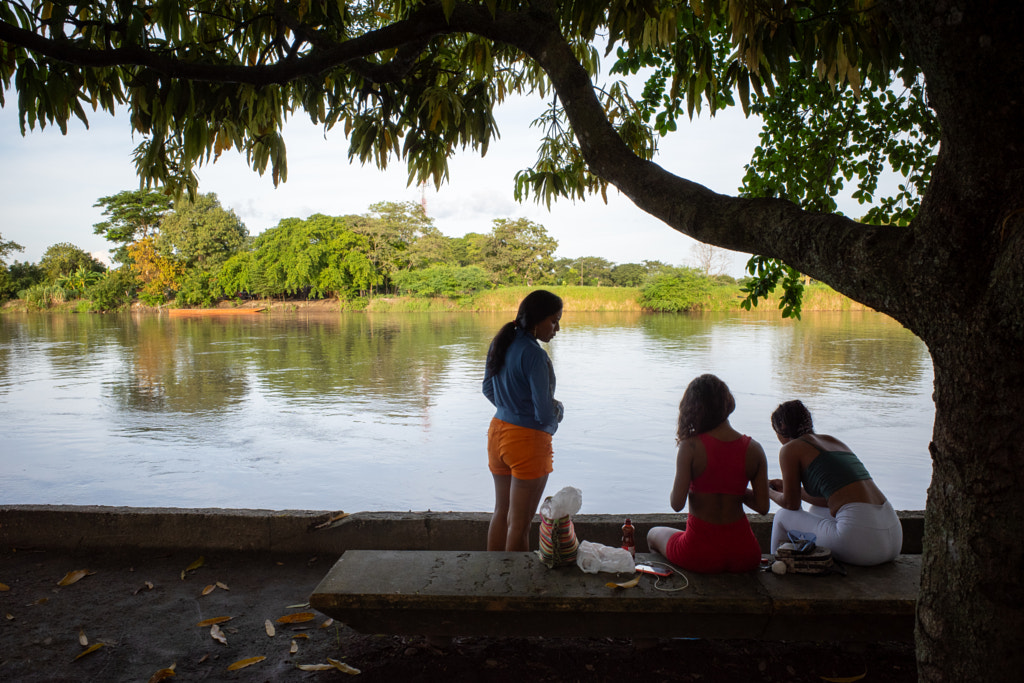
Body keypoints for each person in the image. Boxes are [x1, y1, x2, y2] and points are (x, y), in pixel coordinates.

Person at [647, 374, 770, 573]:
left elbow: (676, 504)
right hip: (745, 554)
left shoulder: (690, 446)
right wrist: (735, 489)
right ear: (727, 403)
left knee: (653, 534)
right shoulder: (755, 449)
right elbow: (763, 507)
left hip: (699, 554)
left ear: (693, 408)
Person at [767, 400, 903, 566]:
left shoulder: (789, 449)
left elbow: (791, 504)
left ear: (781, 429)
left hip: (861, 546)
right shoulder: (833, 441)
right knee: (816, 510)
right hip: (893, 539)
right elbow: (830, 499)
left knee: (782, 515)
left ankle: (776, 567)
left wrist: (766, 490)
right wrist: (786, 487)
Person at [483, 290, 564, 551]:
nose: (557, 328)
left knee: (501, 512)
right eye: (553, 321)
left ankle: (493, 580)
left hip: (497, 434)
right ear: (537, 320)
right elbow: (543, 413)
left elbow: (487, 388)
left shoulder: (500, 343)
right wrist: (559, 411)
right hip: (527, 442)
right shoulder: (536, 356)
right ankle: (514, 588)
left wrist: (511, 408)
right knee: (519, 524)